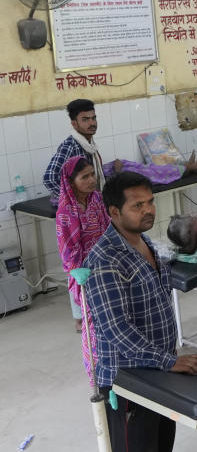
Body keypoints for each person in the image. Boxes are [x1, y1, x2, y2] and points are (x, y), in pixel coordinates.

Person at [84, 172, 197, 452]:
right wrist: (169, 360)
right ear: (114, 212)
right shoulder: (104, 260)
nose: (149, 210)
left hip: (157, 369)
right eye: (138, 206)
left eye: (150, 202)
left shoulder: (145, 243)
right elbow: (116, 331)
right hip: (127, 378)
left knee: (159, 446)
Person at [55, 157, 109, 375]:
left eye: (92, 174)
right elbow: (67, 251)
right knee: (93, 326)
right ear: (71, 181)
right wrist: (81, 274)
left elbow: (108, 228)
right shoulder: (65, 212)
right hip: (84, 274)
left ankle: (117, 364)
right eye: (84, 177)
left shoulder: (96, 199)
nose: (91, 180)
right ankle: (96, 370)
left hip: (106, 265)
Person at [44, 99, 105, 204]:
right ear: (74, 123)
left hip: (90, 203)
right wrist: (73, 200)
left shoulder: (90, 145)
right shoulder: (70, 146)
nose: (92, 123)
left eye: (93, 118)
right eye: (85, 120)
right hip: (75, 208)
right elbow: (49, 178)